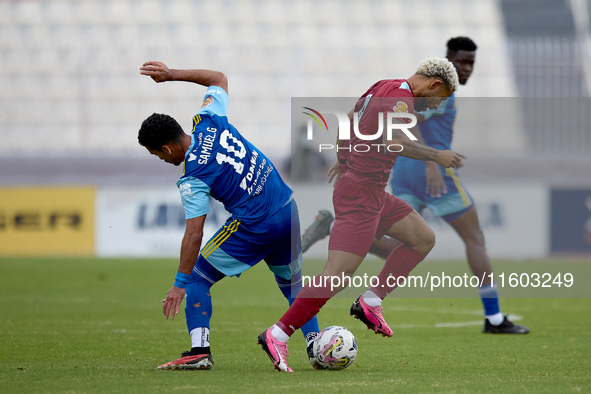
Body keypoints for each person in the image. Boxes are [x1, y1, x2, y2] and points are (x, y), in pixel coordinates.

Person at [300, 37, 529, 335]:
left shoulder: (400, 87)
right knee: (474, 238)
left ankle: (341, 232)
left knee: (409, 240)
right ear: (446, 64)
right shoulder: (427, 92)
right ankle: (494, 317)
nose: (467, 68)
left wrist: (346, 154)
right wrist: (432, 162)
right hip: (427, 171)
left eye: (471, 62)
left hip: (396, 171)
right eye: (461, 62)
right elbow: (407, 120)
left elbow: (362, 116)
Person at [258, 58, 463, 372]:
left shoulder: (382, 86)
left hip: (371, 191)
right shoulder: (401, 98)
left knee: (423, 239)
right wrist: (437, 156)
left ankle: (370, 301)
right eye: (440, 99)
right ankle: (277, 334)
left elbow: (350, 119)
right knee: (336, 275)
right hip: (361, 196)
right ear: (434, 85)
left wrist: (343, 158)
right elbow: (392, 141)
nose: (434, 107)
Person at [138, 61, 320, 370]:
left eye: (157, 154)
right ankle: (317, 345)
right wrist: (171, 76)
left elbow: (194, 233)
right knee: (292, 285)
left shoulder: (192, 178)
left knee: (197, 278)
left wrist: (179, 283)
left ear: (166, 149)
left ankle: (199, 351)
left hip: (255, 224)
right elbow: (218, 77)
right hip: (287, 208)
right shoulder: (209, 120)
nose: (161, 159)